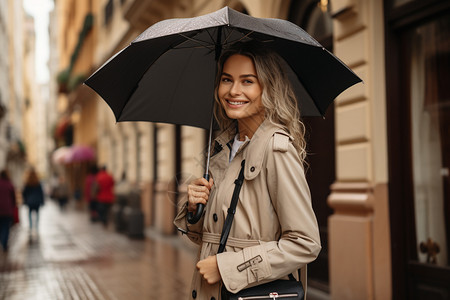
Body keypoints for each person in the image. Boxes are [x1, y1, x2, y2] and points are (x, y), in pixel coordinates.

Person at [174, 41, 321, 299]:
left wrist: (227, 267)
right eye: (227, 79)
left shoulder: (277, 150)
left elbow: (305, 244)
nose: (233, 90)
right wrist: (194, 209)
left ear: (268, 88)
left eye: (247, 81)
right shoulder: (223, 150)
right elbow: (216, 236)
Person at [0, 170, 17, 252]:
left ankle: (2, 240)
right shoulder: (9, 184)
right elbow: (14, 198)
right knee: (6, 227)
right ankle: (4, 243)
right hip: (7, 210)